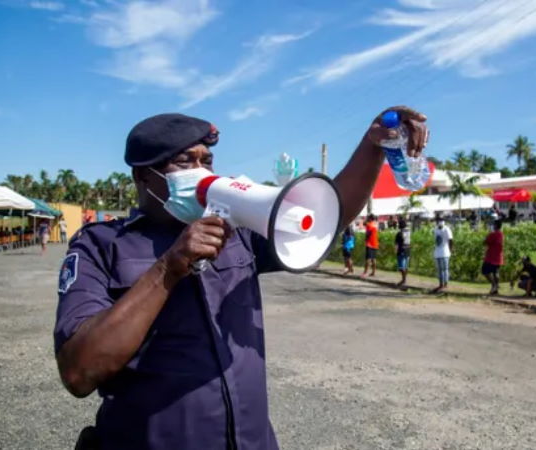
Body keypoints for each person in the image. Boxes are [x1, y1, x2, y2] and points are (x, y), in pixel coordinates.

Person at [52, 107, 430, 449]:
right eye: (184, 162)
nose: (201, 172)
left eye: (207, 161)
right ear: (143, 175)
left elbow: (331, 214)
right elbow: (79, 371)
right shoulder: (101, 245)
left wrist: (373, 145)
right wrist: (169, 267)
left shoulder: (237, 229)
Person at [483, 220, 504, 295]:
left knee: (485, 271)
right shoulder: (501, 234)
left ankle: (494, 285)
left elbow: (485, 242)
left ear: (495, 225)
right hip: (498, 257)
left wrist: (487, 235)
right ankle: (495, 289)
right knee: (496, 272)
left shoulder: (493, 234)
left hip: (491, 257)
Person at [433, 217, 453, 292]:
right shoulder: (435, 229)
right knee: (439, 270)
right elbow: (436, 240)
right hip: (437, 252)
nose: (438, 223)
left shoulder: (447, 229)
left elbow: (451, 240)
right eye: (437, 221)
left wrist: (450, 250)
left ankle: (445, 284)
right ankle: (441, 284)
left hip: (445, 252)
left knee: (445, 269)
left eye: (439, 221)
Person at [361, 214, 380, 278]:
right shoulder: (376, 224)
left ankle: (365, 273)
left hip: (369, 244)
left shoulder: (369, 225)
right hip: (375, 244)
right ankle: (373, 272)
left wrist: (366, 219)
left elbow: (364, 223)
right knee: (374, 259)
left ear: (370, 218)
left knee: (368, 259)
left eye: (368, 218)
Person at [395, 219, 412, 286]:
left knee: (401, 267)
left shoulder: (399, 233)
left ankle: (404, 280)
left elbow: (396, 244)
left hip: (401, 250)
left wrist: (395, 251)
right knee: (406, 266)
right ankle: (404, 279)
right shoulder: (408, 232)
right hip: (407, 250)